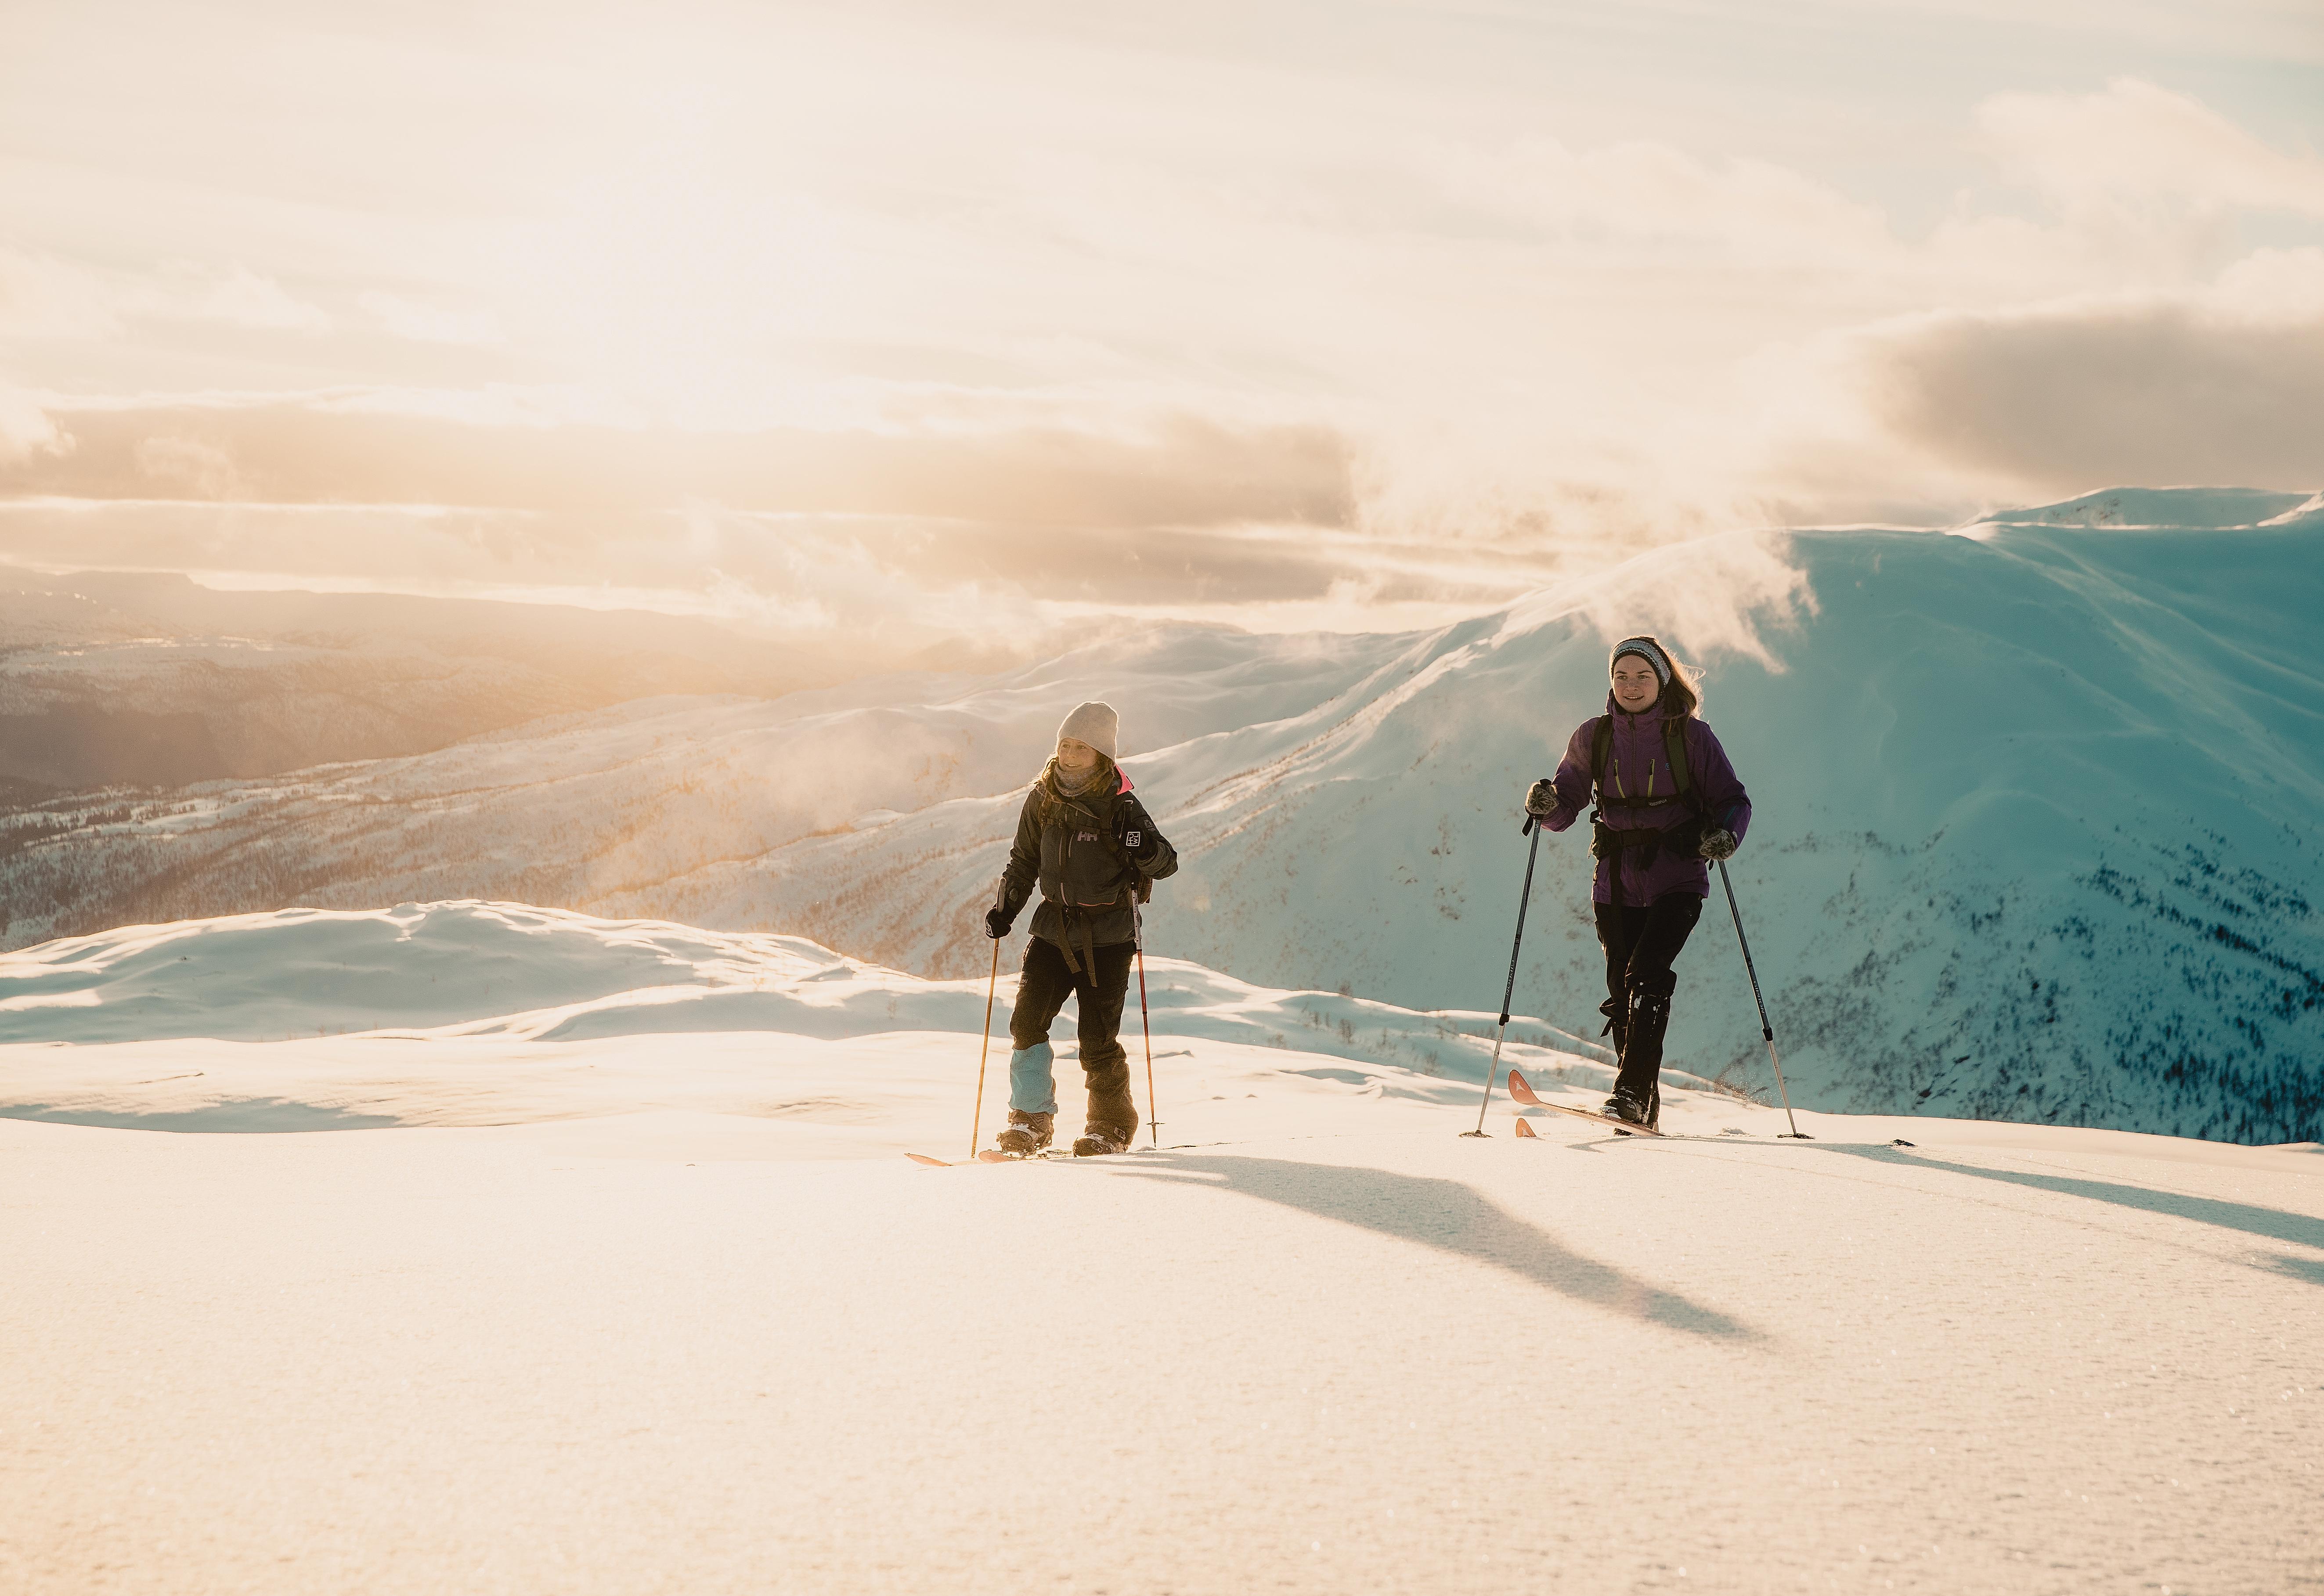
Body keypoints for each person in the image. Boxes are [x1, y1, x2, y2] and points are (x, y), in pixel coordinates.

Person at [1522, 637, 1751, 1126]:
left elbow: (1733, 799)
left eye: (1642, 676)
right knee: (1622, 990)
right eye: (1622, 675)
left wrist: (1726, 835)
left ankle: (1628, 1094)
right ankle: (1640, 1103)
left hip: (1679, 879)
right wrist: (1545, 806)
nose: (1631, 685)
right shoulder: (1593, 736)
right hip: (1614, 884)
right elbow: (1566, 804)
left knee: (1647, 975)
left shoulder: (1692, 737)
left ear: (1662, 680)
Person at [983, 701, 1178, 1156]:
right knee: (1026, 1023)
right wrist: (1004, 910)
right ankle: (1030, 1119)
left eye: (1081, 747)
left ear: (1102, 755)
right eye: (1065, 745)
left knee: (1096, 1038)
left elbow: (1166, 862)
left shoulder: (1121, 803)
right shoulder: (1043, 796)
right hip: (1053, 929)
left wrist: (1144, 845)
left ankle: (1110, 1125)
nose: (1070, 754)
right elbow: (1024, 860)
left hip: (1109, 938)